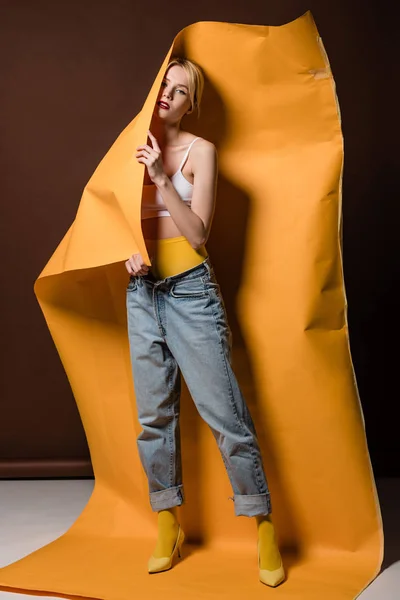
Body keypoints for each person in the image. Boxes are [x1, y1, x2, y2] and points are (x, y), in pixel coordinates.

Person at [124, 56, 285, 587]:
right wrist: (125, 246)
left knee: (226, 418)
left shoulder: (200, 152)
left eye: (181, 90)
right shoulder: (130, 143)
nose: (169, 94)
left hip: (191, 292)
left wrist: (159, 177)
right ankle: (168, 523)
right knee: (154, 418)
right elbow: (114, 215)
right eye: (165, 84)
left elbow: (197, 234)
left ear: (193, 103)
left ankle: (262, 525)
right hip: (141, 292)